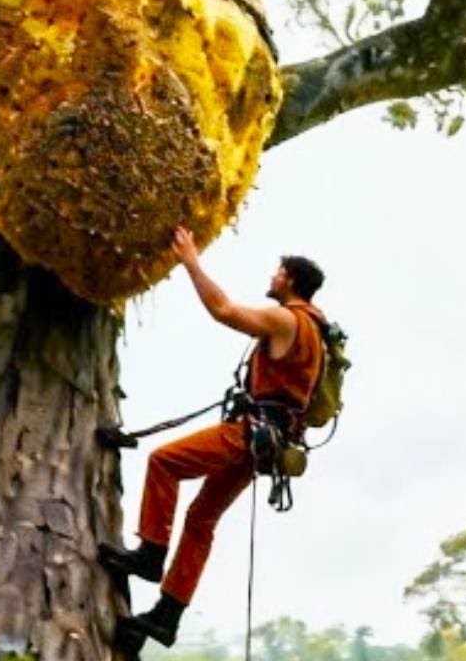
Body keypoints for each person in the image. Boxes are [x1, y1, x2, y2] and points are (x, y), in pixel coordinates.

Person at [100, 225, 327, 648]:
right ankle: (166, 617)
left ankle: (151, 554)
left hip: (250, 434)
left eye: (278, 272)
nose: (272, 276)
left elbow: (222, 309)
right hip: (266, 447)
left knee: (164, 462)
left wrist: (190, 261)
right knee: (201, 521)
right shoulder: (315, 331)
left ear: (291, 281)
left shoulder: (286, 318)